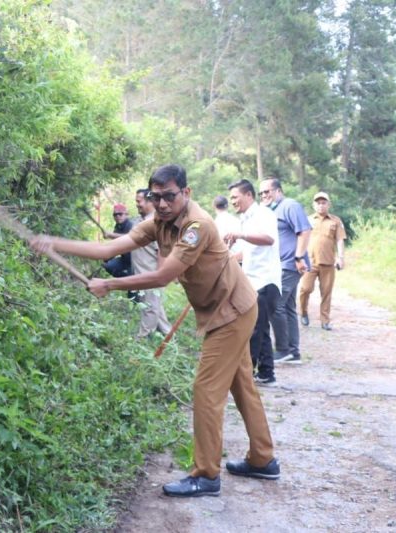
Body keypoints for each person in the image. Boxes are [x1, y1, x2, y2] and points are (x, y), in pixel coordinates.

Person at [30, 164, 279, 498]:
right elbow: (108, 249)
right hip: (223, 307)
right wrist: (54, 243)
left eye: (169, 196)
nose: (161, 203)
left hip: (233, 311)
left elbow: (164, 277)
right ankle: (263, 460)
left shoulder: (197, 226)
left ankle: (206, 475)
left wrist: (111, 284)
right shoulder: (159, 223)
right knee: (242, 385)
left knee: (206, 390)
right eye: (155, 197)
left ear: (186, 193)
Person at [225, 180, 281, 386]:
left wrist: (241, 235)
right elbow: (249, 252)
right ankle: (266, 373)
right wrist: (230, 257)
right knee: (261, 328)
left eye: (235, 197)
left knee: (255, 329)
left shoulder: (263, 214)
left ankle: (246, 373)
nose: (233, 201)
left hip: (265, 281)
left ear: (248, 195)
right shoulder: (246, 219)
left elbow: (268, 239)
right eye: (230, 198)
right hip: (253, 281)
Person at [259, 178, 311, 365]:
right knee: (288, 306)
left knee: (274, 305)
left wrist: (298, 257)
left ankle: (282, 349)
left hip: (290, 264)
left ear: (278, 191)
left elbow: (304, 231)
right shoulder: (271, 210)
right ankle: (293, 352)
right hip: (279, 264)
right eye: (262, 193)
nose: (265, 195)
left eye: (268, 191)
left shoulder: (290, 205)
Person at [298, 192, 346, 331]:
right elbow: (301, 238)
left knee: (326, 292)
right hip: (310, 262)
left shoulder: (335, 221)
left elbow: (340, 240)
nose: (321, 205)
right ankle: (304, 312)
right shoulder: (307, 220)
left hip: (328, 262)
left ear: (328, 204)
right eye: (318, 203)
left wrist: (341, 258)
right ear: (314, 205)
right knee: (305, 289)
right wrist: (299, 257)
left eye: (323, 202)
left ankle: (325, 320)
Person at [131, 188, 171, 338]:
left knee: (150, 307)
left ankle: (143, 338)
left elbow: (162, 250)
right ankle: (169, 336)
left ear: (149, 202)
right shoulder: (140, 221)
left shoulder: (156, 223)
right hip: (141, 272)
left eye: (139, 201)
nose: (137, 204)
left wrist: (159, 275)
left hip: (151, 274)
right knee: (155, 306)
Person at [102, 203, 134, 278]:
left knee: (133, 283)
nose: (117, 216)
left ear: (126, 214)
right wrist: (108, 256)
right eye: (115, 215)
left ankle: (131, 281)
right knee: (108, 266)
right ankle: (126, 281)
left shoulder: (131, 225)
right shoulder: (117, 227)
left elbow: (130, 238)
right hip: (124, 259)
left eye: (120, 214)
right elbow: (116, 245)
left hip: (135, 260)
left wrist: (111, 235)